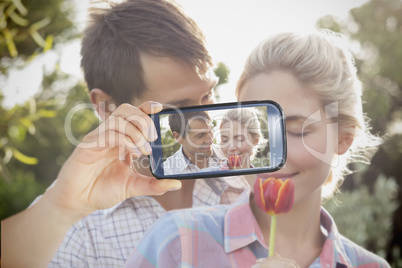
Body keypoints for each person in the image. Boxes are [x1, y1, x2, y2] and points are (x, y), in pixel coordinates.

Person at [1, 0, 248, 267]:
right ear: (107, 107)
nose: (207, 119)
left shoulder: (250, 186)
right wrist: (62, 206)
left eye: (208, 94)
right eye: (181, 108)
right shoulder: (68, 225)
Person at [124, 31, 390, 267]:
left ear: (343, 138)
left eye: (297, 131)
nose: (274, 155)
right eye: (265, 129)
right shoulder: (177, 242)